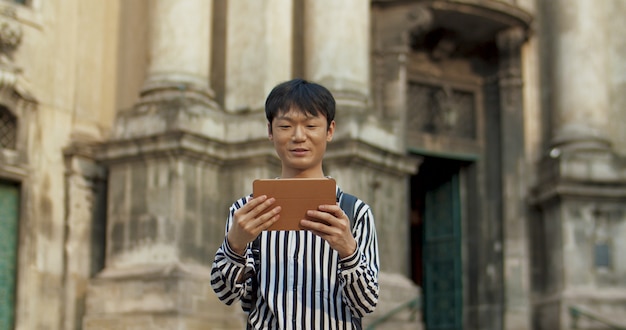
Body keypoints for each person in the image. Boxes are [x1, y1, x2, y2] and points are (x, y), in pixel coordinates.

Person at [210, 78, 379, 329]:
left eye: (311, 125)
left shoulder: (355, 213)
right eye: (286, 126)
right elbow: (226, 295)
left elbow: (365, 304)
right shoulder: (247, 212)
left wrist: (348, 250)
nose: (299, 136)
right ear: (270, 131)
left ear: (329, 131)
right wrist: (234, 245)